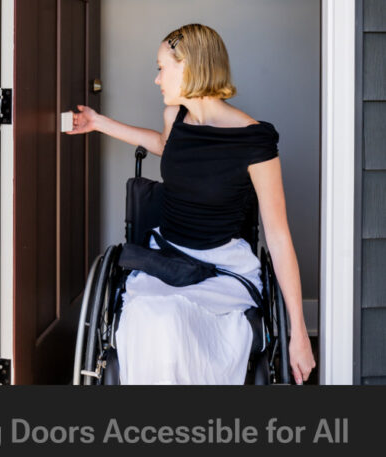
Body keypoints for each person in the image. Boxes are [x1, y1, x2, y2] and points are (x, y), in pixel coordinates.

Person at [66, 23, 315, 384]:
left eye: (161, 67)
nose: (156, 79)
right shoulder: (175, 118)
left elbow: (278, 237)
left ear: (189, 67)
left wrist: (299, 333)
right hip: (166, 259)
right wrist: (98, 122)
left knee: (182, 329)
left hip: (221, 267)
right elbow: (165, 146)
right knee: (152, 319)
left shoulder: (254, 141)